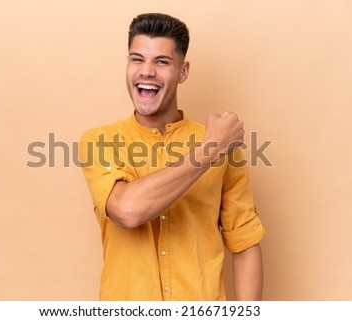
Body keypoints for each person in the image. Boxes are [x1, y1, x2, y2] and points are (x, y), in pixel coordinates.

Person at [79, 12, 265, 301]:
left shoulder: (224, 147)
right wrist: (210, 150)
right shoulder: (99, 141)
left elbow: (244, 244)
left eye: (162, 62)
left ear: (183, 71)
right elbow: (127, 211)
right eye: (137, 59)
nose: (147, 71)